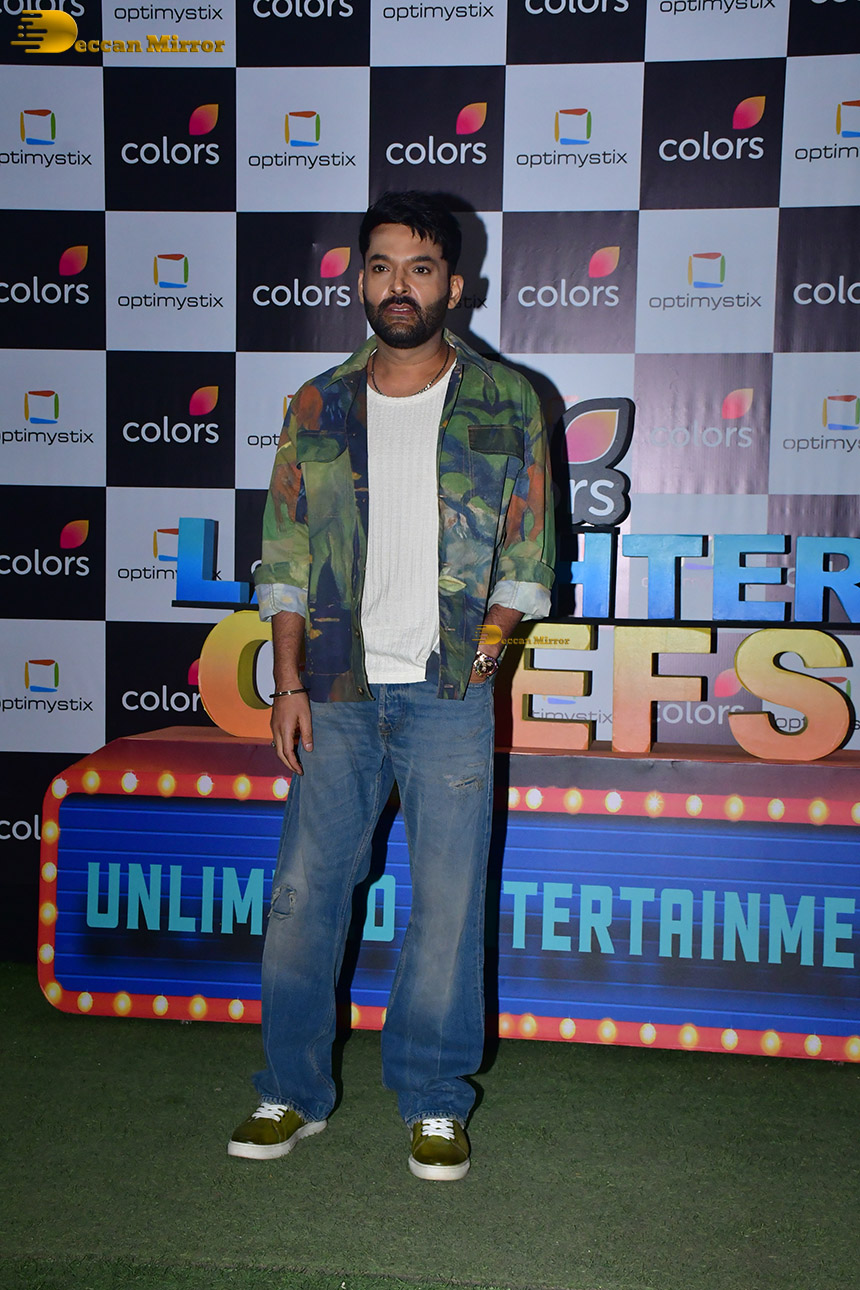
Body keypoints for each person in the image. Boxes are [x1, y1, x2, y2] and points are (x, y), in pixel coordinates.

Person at [228, 190, 555, 1180]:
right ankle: (290, 1091)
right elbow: (284, 557)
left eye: (419, 267)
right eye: (380, 266)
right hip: (334, 690)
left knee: (447, 906)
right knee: (302, 897)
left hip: (448, 694)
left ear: (454, 285)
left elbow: (527, 560)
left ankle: (434, 1099)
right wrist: (287, 682)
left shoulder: (506, 400)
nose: (398, 285)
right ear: (359, 281)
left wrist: (480, 663)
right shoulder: (317, 403)